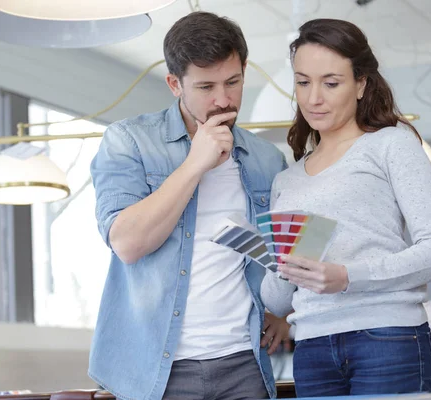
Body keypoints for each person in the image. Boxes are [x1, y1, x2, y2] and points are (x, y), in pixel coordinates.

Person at [89, 11, 290, 400]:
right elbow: (128, 244)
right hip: (157, 368)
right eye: (205, 86)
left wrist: (284, 312)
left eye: (233, 82)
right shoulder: (128, 141)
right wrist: (196, 163)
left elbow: (282, 253)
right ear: (174, 84)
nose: (223, 100)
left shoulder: (267, 159)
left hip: (244, 363)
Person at [261, 18, 431, 398]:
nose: (313, 98)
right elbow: (279, 299)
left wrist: (347, 276)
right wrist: (277, 260)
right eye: (303, 82)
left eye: (331, 83)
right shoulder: (286, 180)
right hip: (313, 347)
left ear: (361, 84)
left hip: (387, 338)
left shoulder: (391, 145)